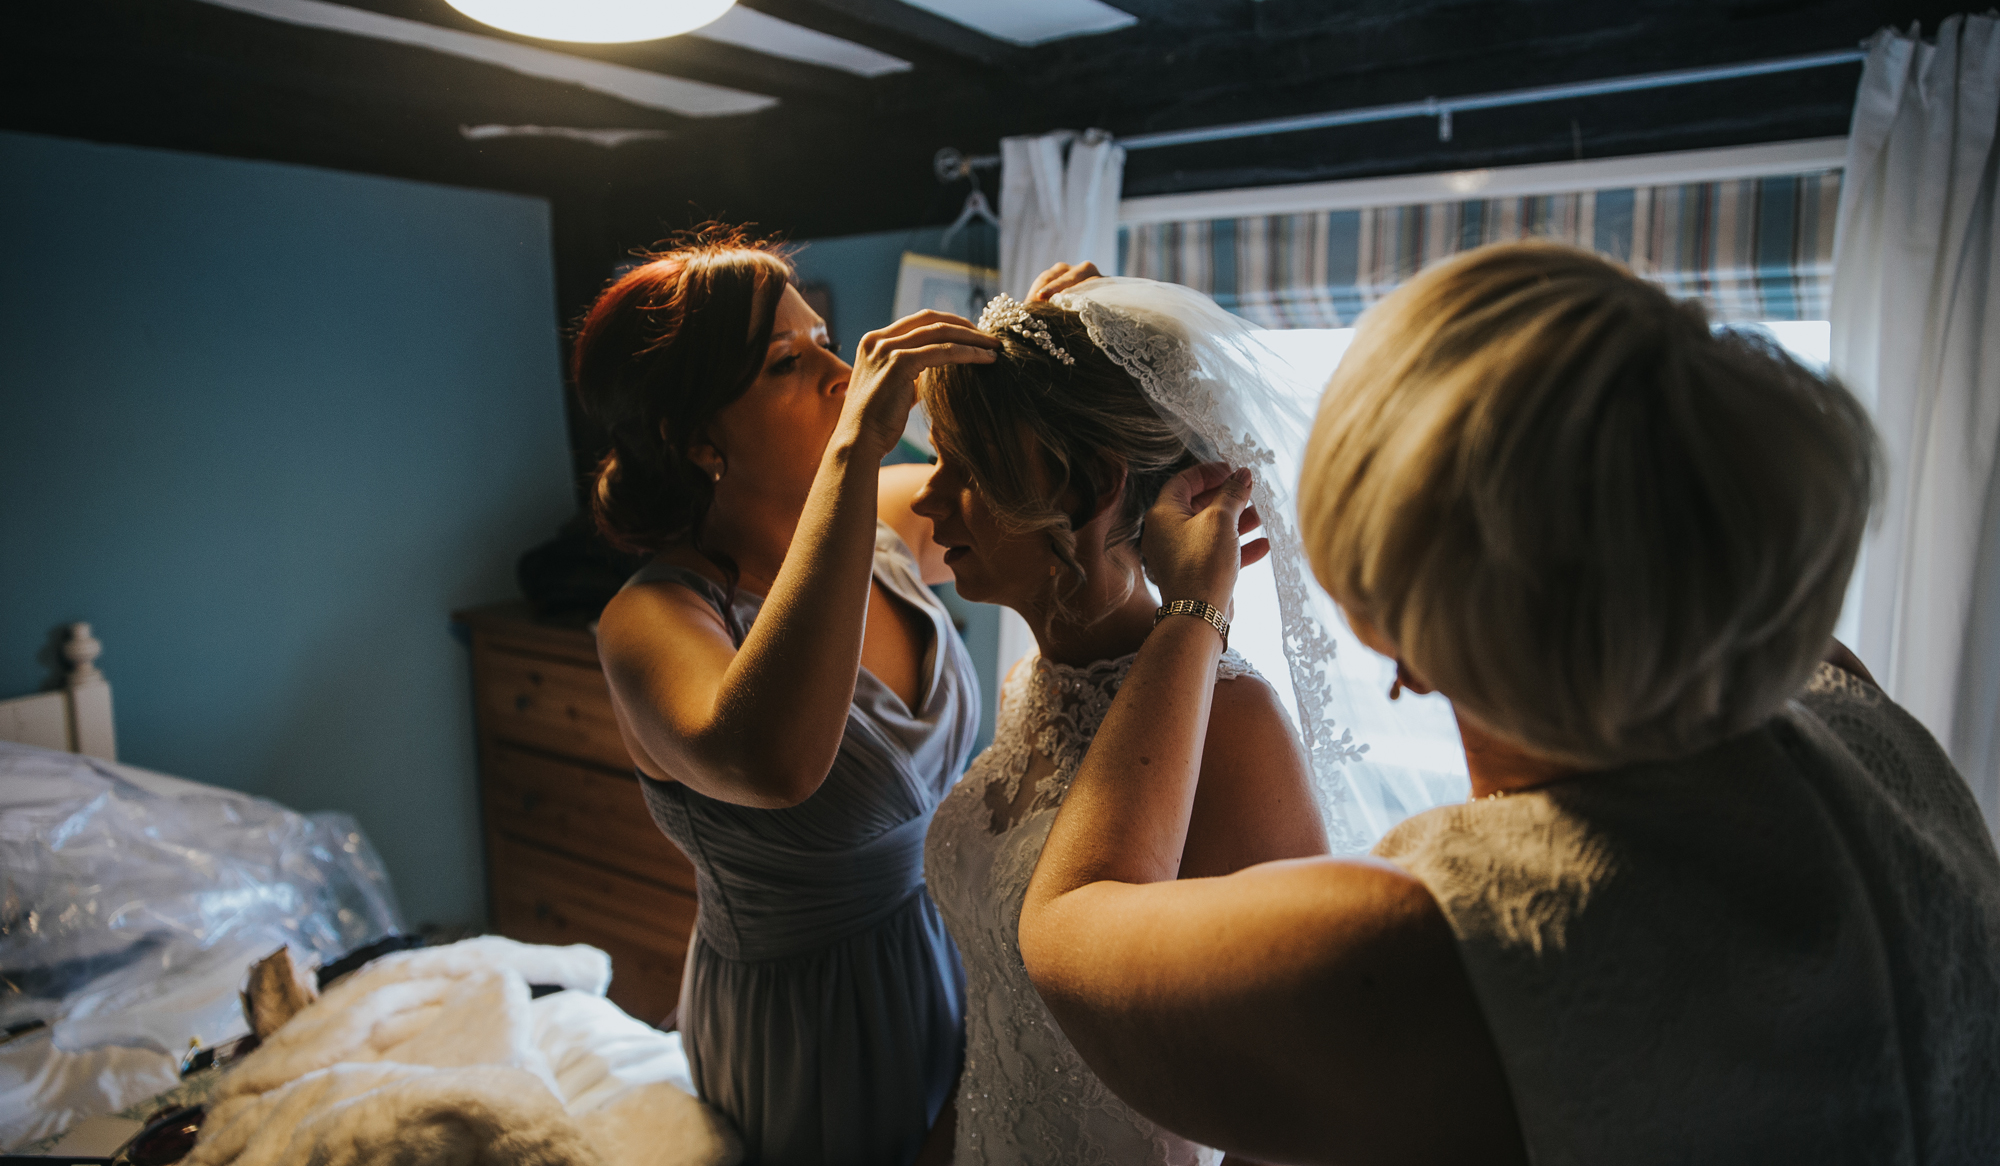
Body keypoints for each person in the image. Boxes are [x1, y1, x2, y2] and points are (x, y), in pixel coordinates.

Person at [1016, 241, 2000, 1165]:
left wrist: (1193, 607)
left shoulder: (1428, 945)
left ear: (1383, 603)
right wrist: (1097, 354)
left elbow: (1067, 928)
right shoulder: (1864, 725)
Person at [574, 230, 996, 1166]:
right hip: (809, 1029)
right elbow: (774, 760)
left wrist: (1041, 347)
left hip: (941, 951)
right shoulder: (649, 619)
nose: (840, 374)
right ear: (697, 441)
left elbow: (1028, 483)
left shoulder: (882, 521)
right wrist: (853, 452)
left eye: (826, 342)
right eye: (785, 362)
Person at [911, 266, 1329, 1165]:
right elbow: (1001, 1018)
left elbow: (1293, 1094)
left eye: (968, 468)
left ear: (1095, 484)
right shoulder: (1036, 682)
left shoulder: (1232, 725)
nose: (927, 499)